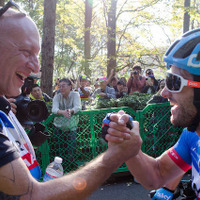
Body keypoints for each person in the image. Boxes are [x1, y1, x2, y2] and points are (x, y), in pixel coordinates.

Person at [0, 3, 141, 199]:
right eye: (25, 51)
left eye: (37, 55)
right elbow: (30, 195)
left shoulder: (6, 107)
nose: (35, 67)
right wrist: (115, 156)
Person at [105, 28, 200, 199]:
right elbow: (157, 174)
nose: (164, 93)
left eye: (173, 82)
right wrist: (129, 146)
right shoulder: (192, 136)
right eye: (166, 80)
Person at [52, 78, 81, 166]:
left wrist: (70, 111)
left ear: (70, 86)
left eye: (63, 86)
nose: (61, 88)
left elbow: (78, 107)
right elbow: (54, 109)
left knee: (71, 150)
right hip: (58, 127)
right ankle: (61, 169)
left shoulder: (75, 95)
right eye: (59, 86)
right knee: (59, 151)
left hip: (71, 128)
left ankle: (71, 168)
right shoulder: (57, 96)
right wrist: (63, 112)